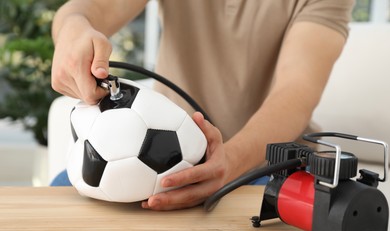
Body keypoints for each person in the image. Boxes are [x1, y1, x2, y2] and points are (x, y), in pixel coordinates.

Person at [51, 0, 354, 210]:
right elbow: (86, 9)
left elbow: (296, 90)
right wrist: (73, 29)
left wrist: (228, 164)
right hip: (157, 160)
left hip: (268, 167)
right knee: (57, 197)